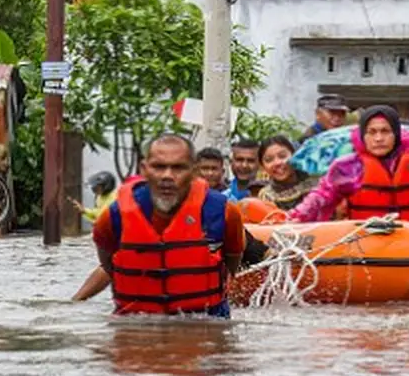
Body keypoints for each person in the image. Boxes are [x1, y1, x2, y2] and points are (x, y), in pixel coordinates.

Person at [72, 134, 269, 317]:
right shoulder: (115, 216)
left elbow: (232, 263)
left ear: (192, 171)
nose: (167, 175)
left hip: (205, 322)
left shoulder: (224, 212)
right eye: (158, 167)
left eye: (178, 168)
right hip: (137, 325)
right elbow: (109, 265)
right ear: (144, 169)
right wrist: (74, 303)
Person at [290, 105, 409, 223]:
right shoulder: (348, 167)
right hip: (367, 240)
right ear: (363, 136)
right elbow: (321, 196)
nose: (378, 138)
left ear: (396, 134)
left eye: (385, 131)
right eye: (371, 132)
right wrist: (297, 216)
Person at [256, 136, 319, 212]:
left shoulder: (317, 183)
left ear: (294, 156)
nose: (277, 163)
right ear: (262, 166)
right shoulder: (266, 196)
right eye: (269, 160)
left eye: (282, 156)